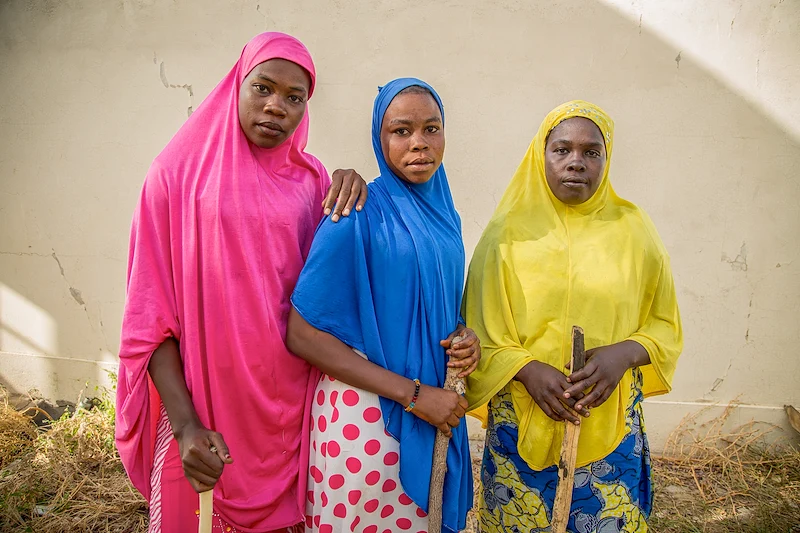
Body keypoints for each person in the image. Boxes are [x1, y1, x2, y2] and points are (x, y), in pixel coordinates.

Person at [115, 32, 369, 533]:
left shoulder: (314, 183)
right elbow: (150, 317)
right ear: (237, 84)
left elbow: (336, 290)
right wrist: (186, 425)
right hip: (201, 408)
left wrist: (357, 190)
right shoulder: (175, 176)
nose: (277, 107)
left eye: (295, 98)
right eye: (264, 89)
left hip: (287, 419)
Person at [464, 101, 683, 531]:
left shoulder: (634, 230)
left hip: (608, 419)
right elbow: (480, 331)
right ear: (539, 156)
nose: (576, 163)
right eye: (561, 150)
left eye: (591, 152)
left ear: (607, 158)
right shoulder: (505, 234)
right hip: (525, 414)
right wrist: (526, 369)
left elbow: (664, 324)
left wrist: (624, 354)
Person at [286, 78, 476, 533]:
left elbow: (436, 304)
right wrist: (414, 397)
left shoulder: (446, 215)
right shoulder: (354, 211)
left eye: (432, 129)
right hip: (368, 423)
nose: (418, 144)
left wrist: (466, 338)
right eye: (400, 130)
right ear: (379, 136)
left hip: (435, 409)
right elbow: (302, 333)